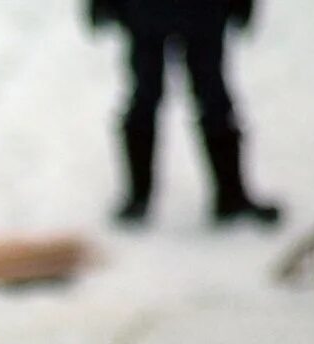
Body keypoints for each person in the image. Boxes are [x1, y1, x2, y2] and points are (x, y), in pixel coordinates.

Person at [88, 0, 281, 226]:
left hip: (189, 12)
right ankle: (139, 198)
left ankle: (229, 196)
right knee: (152, 97)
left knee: (208, 99)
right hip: (158, 13)